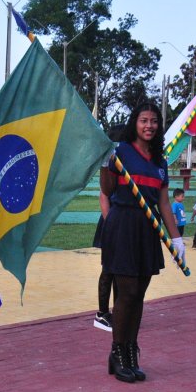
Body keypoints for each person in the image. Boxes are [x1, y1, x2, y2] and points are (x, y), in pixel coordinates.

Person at [99, 103, 185, 384]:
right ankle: (118, 352)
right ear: (134, 123)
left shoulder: (160, 162)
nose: (149, 126)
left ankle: (132, 351)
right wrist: (104, 161)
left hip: (148, 229)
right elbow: (107, 190)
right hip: (122, 224)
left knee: (139, 295)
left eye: (154, 121)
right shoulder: (120, 152)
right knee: (127, 292)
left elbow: (163, 203)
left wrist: (177, 239)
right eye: (144, 120)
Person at [91, 124, 125, 333]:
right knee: (110, 269)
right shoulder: (111, 157)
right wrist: (110, 221)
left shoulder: (131, 157)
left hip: (126, 221)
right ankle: (102, 314)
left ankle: (119, 311)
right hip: (113, 221)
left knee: (123, 269)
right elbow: (104, 195)